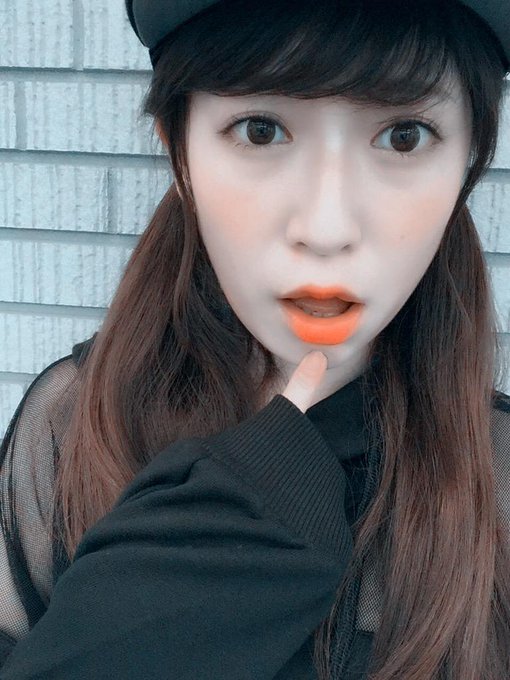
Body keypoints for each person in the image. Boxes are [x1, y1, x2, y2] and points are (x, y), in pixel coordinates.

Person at [0, 0, 509, 677]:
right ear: (178, 154)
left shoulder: (500, 477)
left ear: (468, 163)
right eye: (261, 131)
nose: (326, 229)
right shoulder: (69, 425)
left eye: (404, 137)